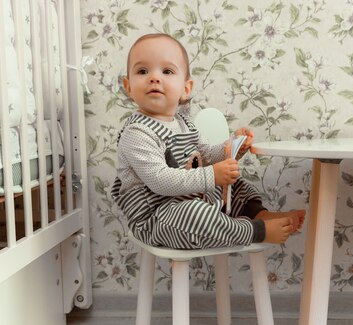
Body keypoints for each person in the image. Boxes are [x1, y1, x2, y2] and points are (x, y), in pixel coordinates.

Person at [111, 33, 304, 249]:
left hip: (194, 198)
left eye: (167, 71)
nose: (154, 78)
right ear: (128, 87)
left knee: (238, 185)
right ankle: (254, 230)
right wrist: (212, 175)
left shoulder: (184, 123)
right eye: (142, 71)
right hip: (159, 219)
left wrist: (232, 148)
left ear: (185, 88)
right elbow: (159, 180)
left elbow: (206, 155)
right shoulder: (137, 133)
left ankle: (260, 214)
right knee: (193, 215)